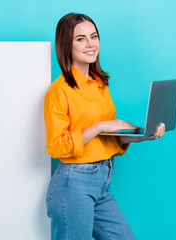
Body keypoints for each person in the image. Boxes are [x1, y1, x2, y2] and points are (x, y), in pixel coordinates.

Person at [44, 13, 165, 240]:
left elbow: (108, 138)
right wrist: (99, 125)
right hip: (74, 184)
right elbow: (56, 146)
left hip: (102, 181)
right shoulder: (59, 91)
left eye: (94, 36)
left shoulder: (99, 85)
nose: (90, 44)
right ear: (66, 45)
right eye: (80, 39)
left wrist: (143, 135)